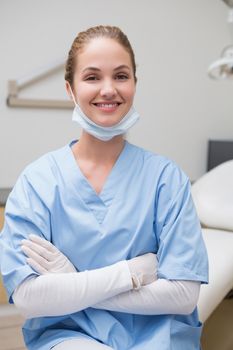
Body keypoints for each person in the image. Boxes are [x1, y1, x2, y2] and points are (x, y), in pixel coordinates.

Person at [0, 25, 208, 350]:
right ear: (70, 89)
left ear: (135, 84)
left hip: (160, 340)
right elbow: (29, 299)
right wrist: (130, 273)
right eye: (92, 77)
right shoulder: (37, 183)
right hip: (70, 338)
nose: (108, 89)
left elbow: (183, 295)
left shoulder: (167, 179)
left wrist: (71, 286)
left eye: (121, 76)